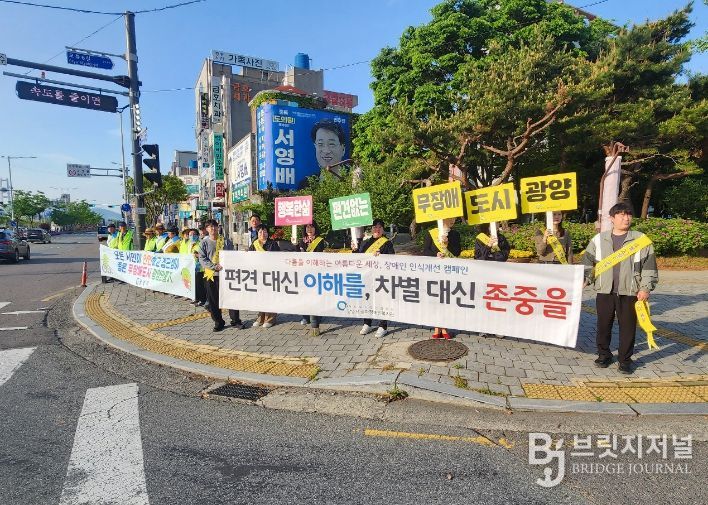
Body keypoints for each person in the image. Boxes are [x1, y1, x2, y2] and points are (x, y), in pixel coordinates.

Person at [583, 202, 658, 374]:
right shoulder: (598, 239)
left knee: (628, 328)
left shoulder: (641, 240)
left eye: (629, 214)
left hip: (630, 292)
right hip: (604, 291)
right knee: (603, 326)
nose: (626, 218)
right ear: (612, 218)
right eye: (622, 214)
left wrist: (645, 288)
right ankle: (604, 355)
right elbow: (587, 262)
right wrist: (585, 279)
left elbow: (649, 267)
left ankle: (625, 360)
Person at [198, 219, 243, 332]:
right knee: (213, 300)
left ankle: (236, 320)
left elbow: (232, 255)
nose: (213, 228)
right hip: (211, 275)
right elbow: (202, 258)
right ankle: (218, 322)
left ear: (218, 227)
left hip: (226, 274)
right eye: (210, 227)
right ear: (207, 229)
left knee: (231, 297)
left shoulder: (225, 241)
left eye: (215, 226)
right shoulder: (204, 242)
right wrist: (213, 266)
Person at [422, 218, 461, 339]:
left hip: (449, 272)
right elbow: (425, 251)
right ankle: (437, 327)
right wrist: (435, 254)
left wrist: (447, 245)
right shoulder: (431, 233)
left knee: (446, 300)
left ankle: (444, 327)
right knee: (435, 299)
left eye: (454, 219)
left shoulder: (455, 234)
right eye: (450, 218)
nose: (453, 220)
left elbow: (457, 252)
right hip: (434, 272)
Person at [356, 219, 395, 338]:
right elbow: (358, 258)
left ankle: (383, 326)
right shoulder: (365, 243)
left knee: (382, 301)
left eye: (379, 227)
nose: (377, 229)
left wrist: (381, 256)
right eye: (375, 227)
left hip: (381, 277)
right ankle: (367, 323)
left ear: (383, 229)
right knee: (367, 299)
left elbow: (392, 259)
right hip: (367, 276)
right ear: (372, 229)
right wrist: (354, 249)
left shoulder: (387, 243)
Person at [297, 222, 328, 336]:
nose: (309, 229)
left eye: (311, 227)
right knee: (304, 295)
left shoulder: (320, 241)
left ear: (315, 228)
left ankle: (316, 320)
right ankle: (305, 316)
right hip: (304, 273)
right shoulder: (300, 241)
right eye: (307, 227)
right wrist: (294, 245)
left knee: (315, 296)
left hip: (316, 273)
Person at [249, 224, 280, 328]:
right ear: (257, 234)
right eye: (260, 232)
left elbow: (277, 258)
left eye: (265, 231)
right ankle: (261, 317)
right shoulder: (254, 244)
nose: (263, 234)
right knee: (260, 296)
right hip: (258, 274)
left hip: (270, 274)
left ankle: (270, 318)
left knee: (270, 296)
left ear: (268, 233)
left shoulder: (273, 244)